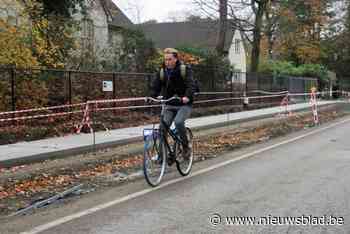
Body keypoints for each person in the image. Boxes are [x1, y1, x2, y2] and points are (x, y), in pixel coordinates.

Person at [150, 48, 196, 160]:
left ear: (175, 59)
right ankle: (161, 155)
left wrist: (187, 97)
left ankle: (186, 147)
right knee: (162, 129)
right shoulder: (162, 71)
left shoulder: (184, 69)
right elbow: (156, 86)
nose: (167, 62)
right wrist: (151, 96)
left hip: (184, 104)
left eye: (170, 59)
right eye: (165, 60)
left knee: (179, 122)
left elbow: (191, 85)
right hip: (169, 104)